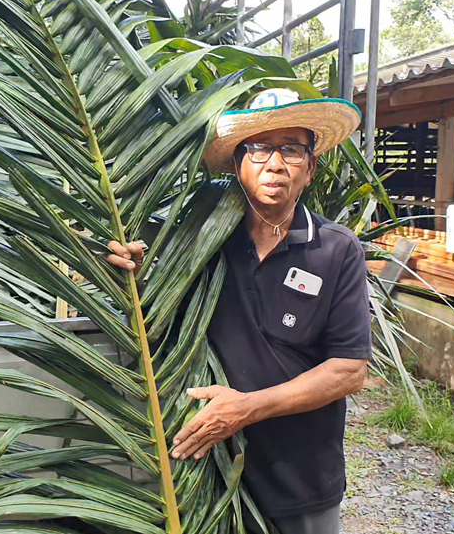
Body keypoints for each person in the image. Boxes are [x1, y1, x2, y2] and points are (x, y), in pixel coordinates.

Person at [107, 89, 371, 534]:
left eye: (290, 148)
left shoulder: (336, 249)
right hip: (206, 473)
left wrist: (247, 408)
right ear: (236, 164)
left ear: (309, 168)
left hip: (300, 478)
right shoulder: (196, 239)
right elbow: (150, 295)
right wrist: (130, 261)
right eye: (259, 148)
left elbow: (348, 370)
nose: (274, 163)